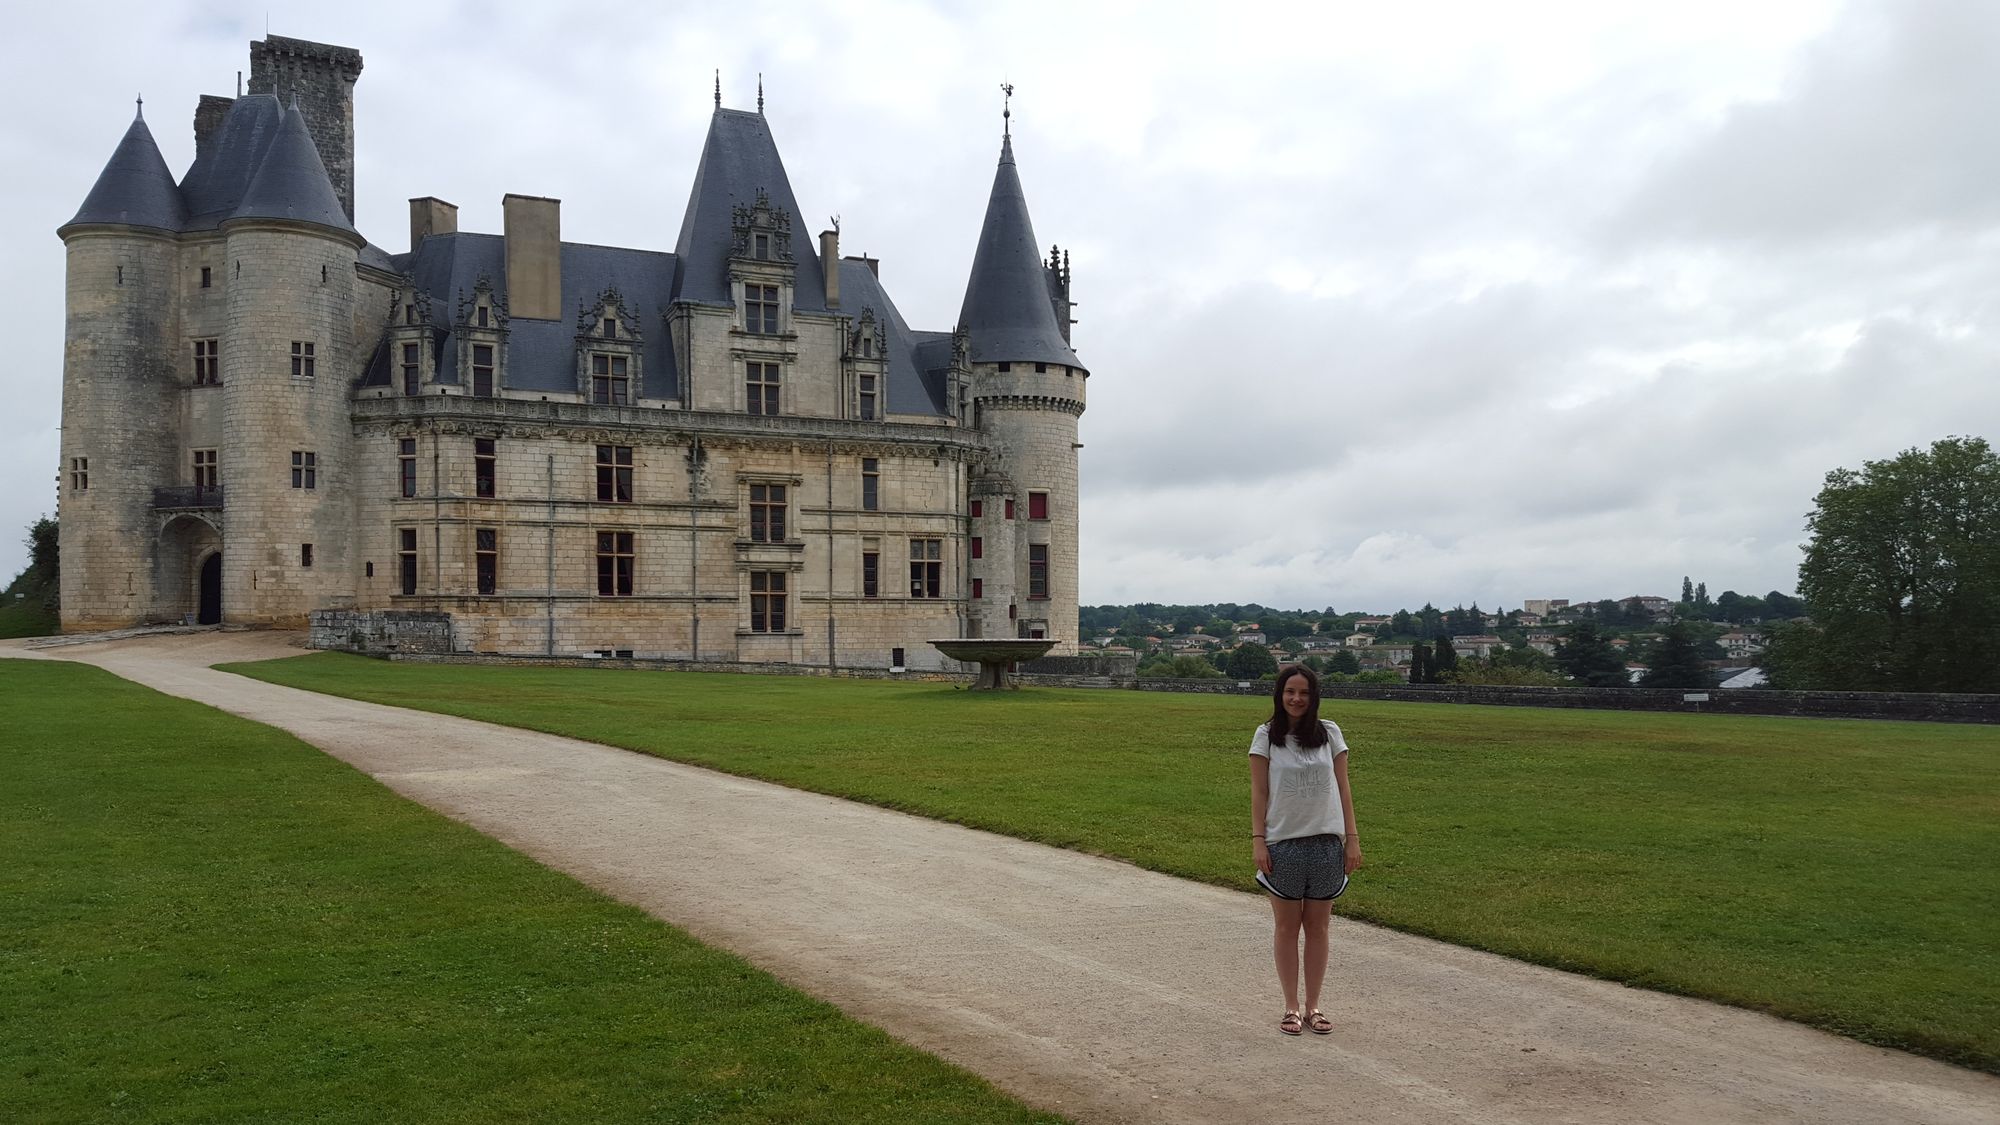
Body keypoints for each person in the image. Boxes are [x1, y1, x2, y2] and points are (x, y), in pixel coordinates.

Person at [1249, 663, 1361, 1036]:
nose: (1296, 699)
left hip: (1326, 842)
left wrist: (1352, 838)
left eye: (1304, 693)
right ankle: (1291, 1007)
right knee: (1286, 927)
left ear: (1314, 697)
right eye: (1290, 692)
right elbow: (1259, 792)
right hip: (1283, 843)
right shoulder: (1266, 736)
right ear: (1279, 695)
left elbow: (1343, 788)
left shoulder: (1330, 733)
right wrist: (1259, 840)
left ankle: (1314, 1006)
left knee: (1318, 928)